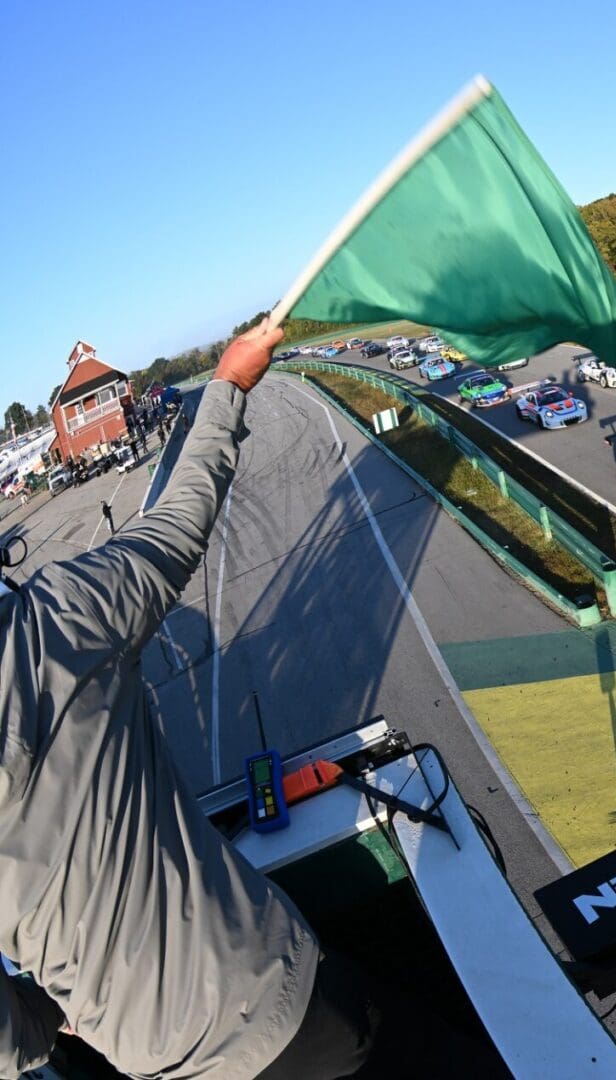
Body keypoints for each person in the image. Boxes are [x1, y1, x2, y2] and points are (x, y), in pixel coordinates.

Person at [0, 323, 375, 1079]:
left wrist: (52, 1019)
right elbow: (174, 527)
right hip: (278, 998)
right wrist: (229, 388)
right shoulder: (53, 620)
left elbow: (6, 1043)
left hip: (156, 1058)